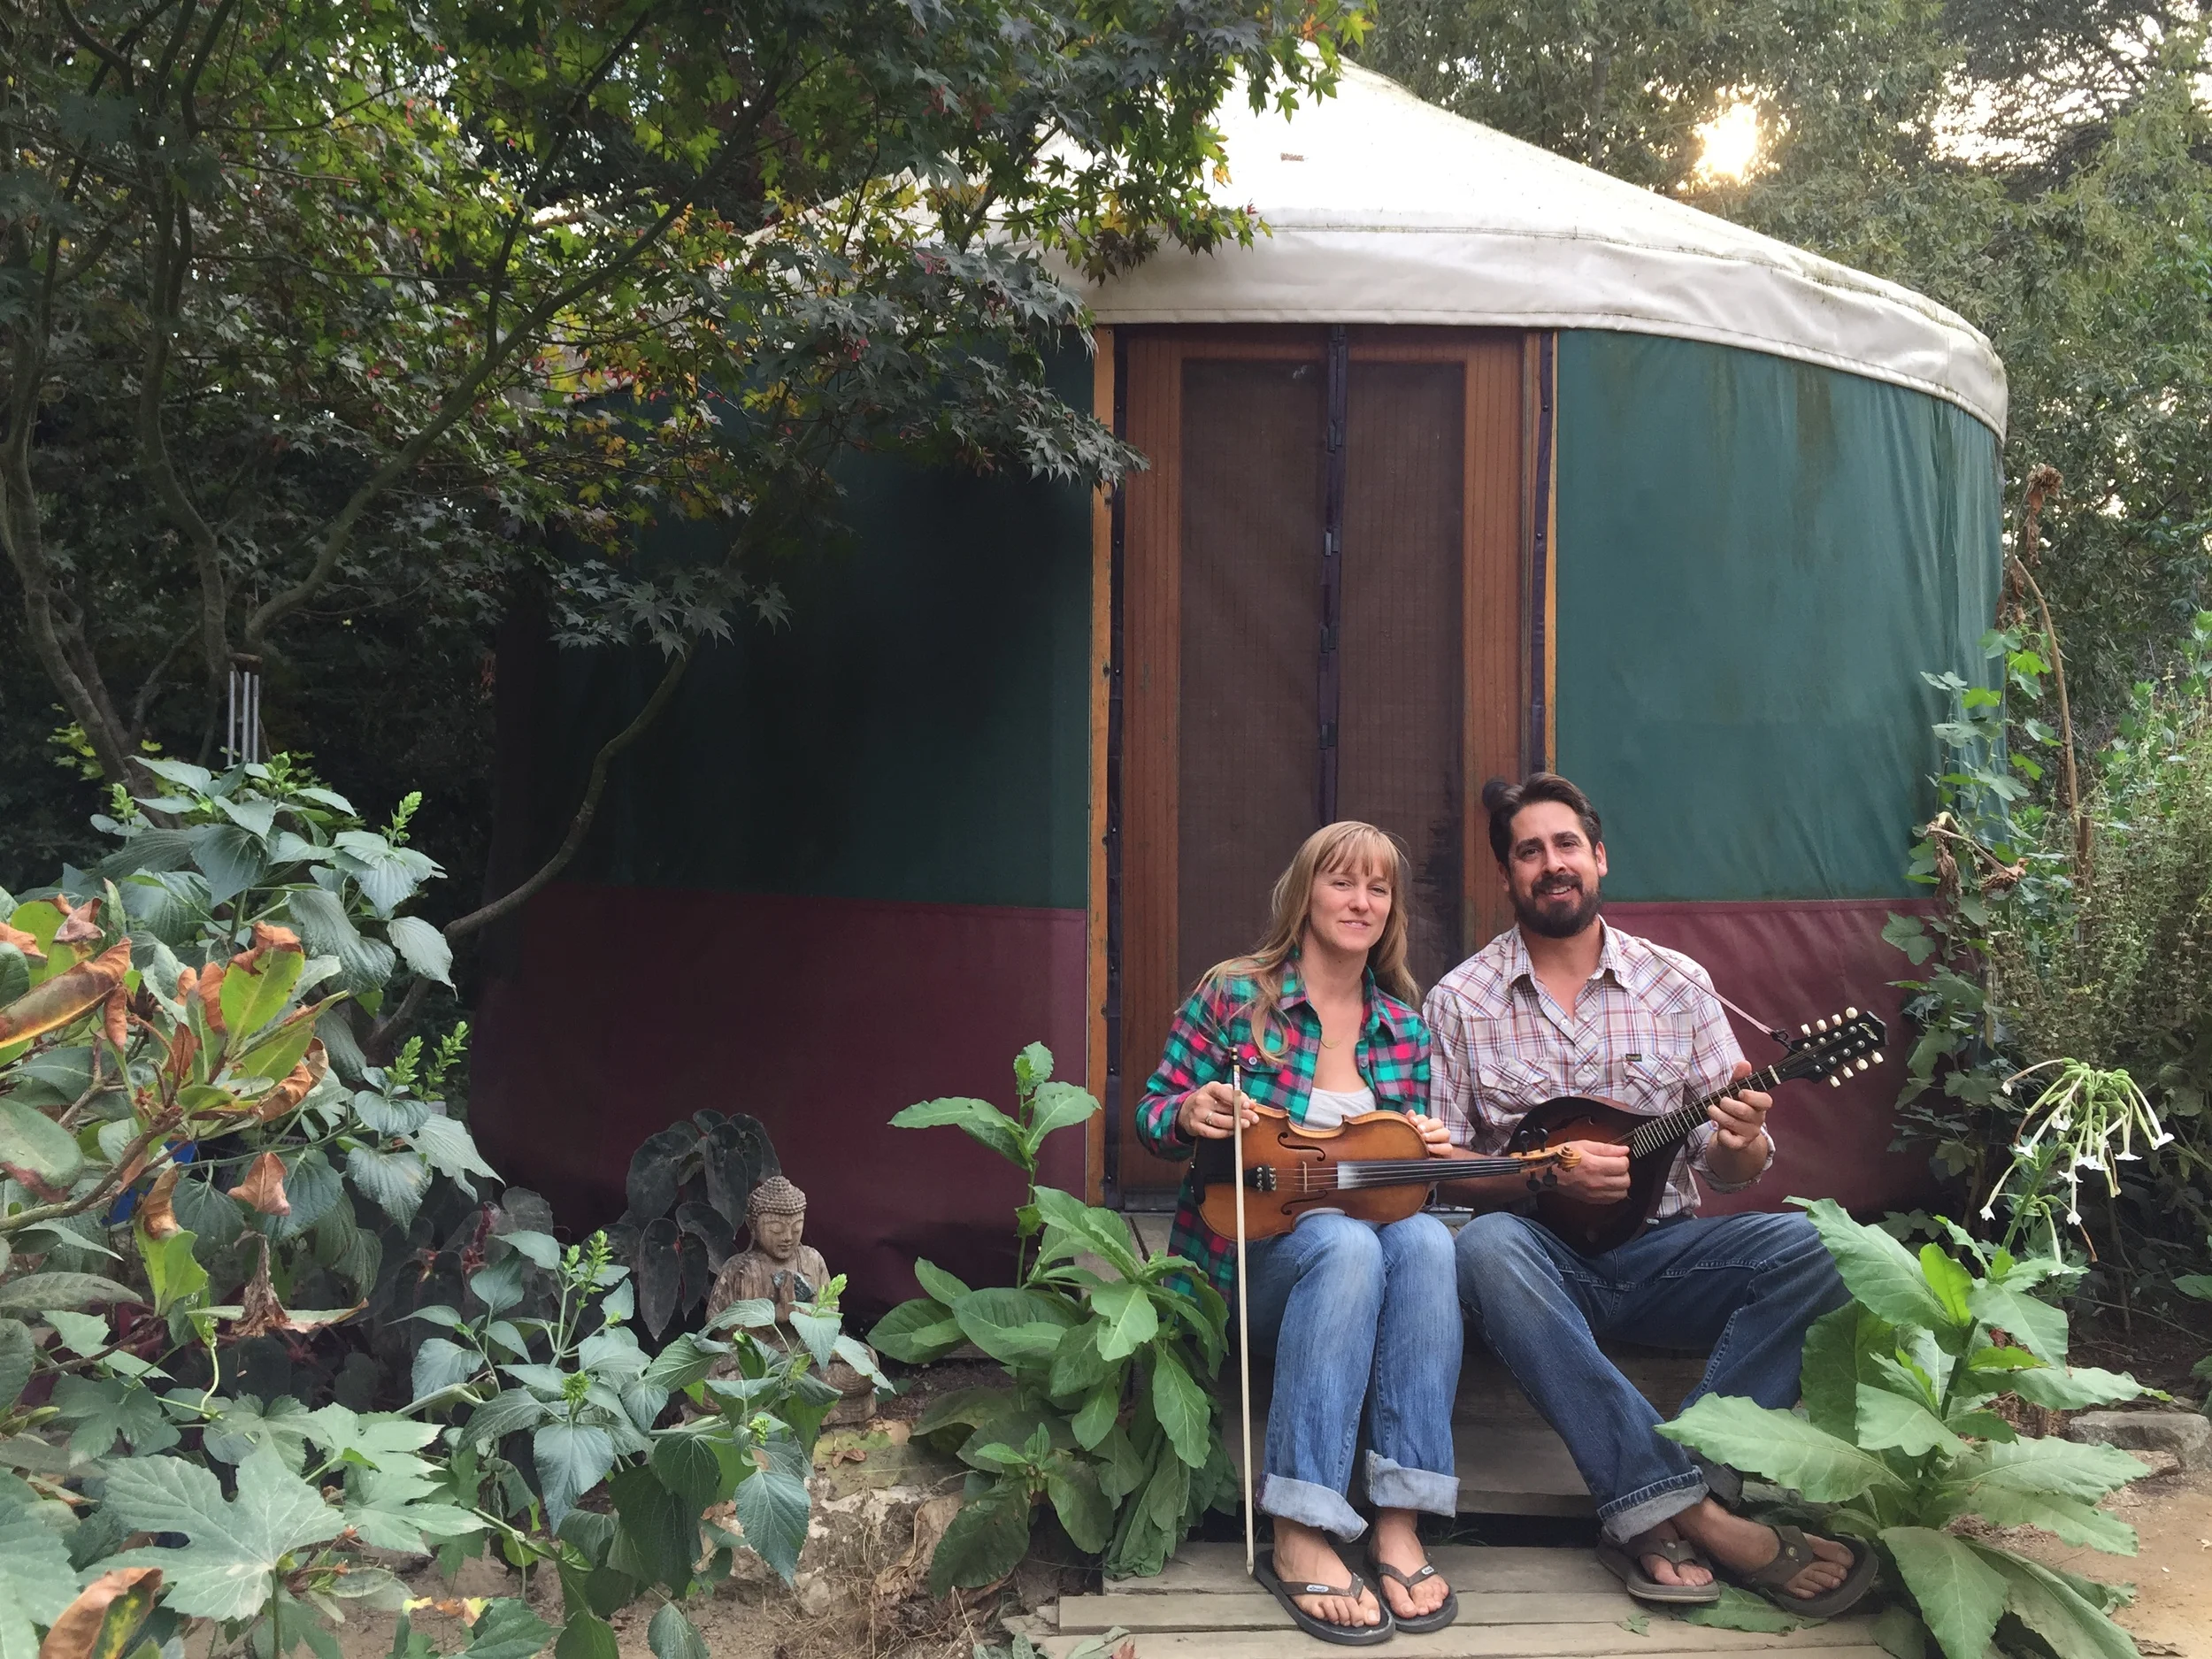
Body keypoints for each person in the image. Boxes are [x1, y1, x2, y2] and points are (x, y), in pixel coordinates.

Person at [1424, 773, 1874, 1617]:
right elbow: (1440, 1167)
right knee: (1479, 1248)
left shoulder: (1680, 983)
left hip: (1663, 1257)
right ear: (1508, 875)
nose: (1551, 864)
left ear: (1598, 857)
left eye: (1566, 845)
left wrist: (1744, 1140)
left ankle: (1677, 1490)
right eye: (1529, 851)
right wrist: (1540, 1173)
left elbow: (1727, 1165)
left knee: (1824, 1245)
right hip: (1533, 1268)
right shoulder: (1460, 1000)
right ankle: (1697, 1512)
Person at [1137, 821, 1461, 1645]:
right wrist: (1190, 1110)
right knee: (1344, 1245)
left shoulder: (1405, 1030)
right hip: (1242, 1271)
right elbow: (1150, 1113)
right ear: (1305, 892)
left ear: (1392, 911)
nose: (1361, 901)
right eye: (1343, 882)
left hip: (1361, 1276)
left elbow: (1396, 1195)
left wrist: (1421, 1154)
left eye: (1378, 888)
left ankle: (1398, 1517)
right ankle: (1300, 1525)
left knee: (1427, 1242)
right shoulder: (1235, 996)